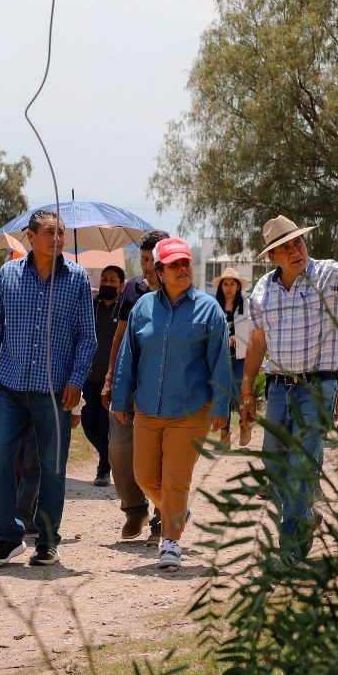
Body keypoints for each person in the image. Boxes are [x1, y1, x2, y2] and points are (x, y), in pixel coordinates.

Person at [240, 217, 338, 555]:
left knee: (302, 465)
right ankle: (305, 515)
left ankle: (290, 548)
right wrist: (247, 388)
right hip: (278, 388)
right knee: (275, 465)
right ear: (272, 256)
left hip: (317, 386)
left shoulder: (325, 273)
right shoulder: (262, 290)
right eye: (286, 247)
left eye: (299, 243)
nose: (296, 251)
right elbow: (257, 343)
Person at [0, 209, 97, 566]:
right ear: (31, 237)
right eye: (49, 232)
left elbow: (86, 339)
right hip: (11, 386)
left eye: (61, 232)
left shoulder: (76, 279)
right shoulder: (8, 275)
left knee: (53, 465)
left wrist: (77, 382)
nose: (57, 238)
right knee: (0, 456)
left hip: (55, 391)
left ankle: (47, 540)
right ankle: (8, 535)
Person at [111, 238, 233, 569]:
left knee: (175, 479)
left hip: (191, 411)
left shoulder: (209, 309)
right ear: (159, 270)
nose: (182, 269)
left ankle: (170, 542)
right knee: (145, 476)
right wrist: (121, 397)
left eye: (186, 263)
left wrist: (222, 406)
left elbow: (220, 361)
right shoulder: (143, 308)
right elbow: (128, 358)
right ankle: (176, 510)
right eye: (174, 265)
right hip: (148, 408)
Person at [100, 230, 171, 542]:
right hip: (130, 383)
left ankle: (162, 518)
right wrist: (110, 379)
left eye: (151, 260)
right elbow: (120, 337)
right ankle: (134, 509)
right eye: (142, 260)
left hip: (167, 387)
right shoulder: (132, 290)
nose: (146, 267)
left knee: (163, 454)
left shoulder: (180, 291)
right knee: (118, 447)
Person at [81, 265, 125, 487]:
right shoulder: (90, 307)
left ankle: (103, 469)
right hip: (89, 377)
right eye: (104, 279)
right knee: (88, 423)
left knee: (105, 424)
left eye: (113, 280)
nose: (107, 284)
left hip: (114, 380)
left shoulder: (125, 310)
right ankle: (112, 458)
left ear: (121, 285)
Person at [214, 266, 253, 446]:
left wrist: (236, 338)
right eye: (226, 284)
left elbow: (253, 331)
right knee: (223, 394)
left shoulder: (247, 306)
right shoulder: (214, 305)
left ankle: (245, 425)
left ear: (238, 286)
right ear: (221, 286)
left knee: (238, 394)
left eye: (232, 284)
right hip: (220, 357)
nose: (229, 287)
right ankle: (225, 435)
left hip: (240, 357)